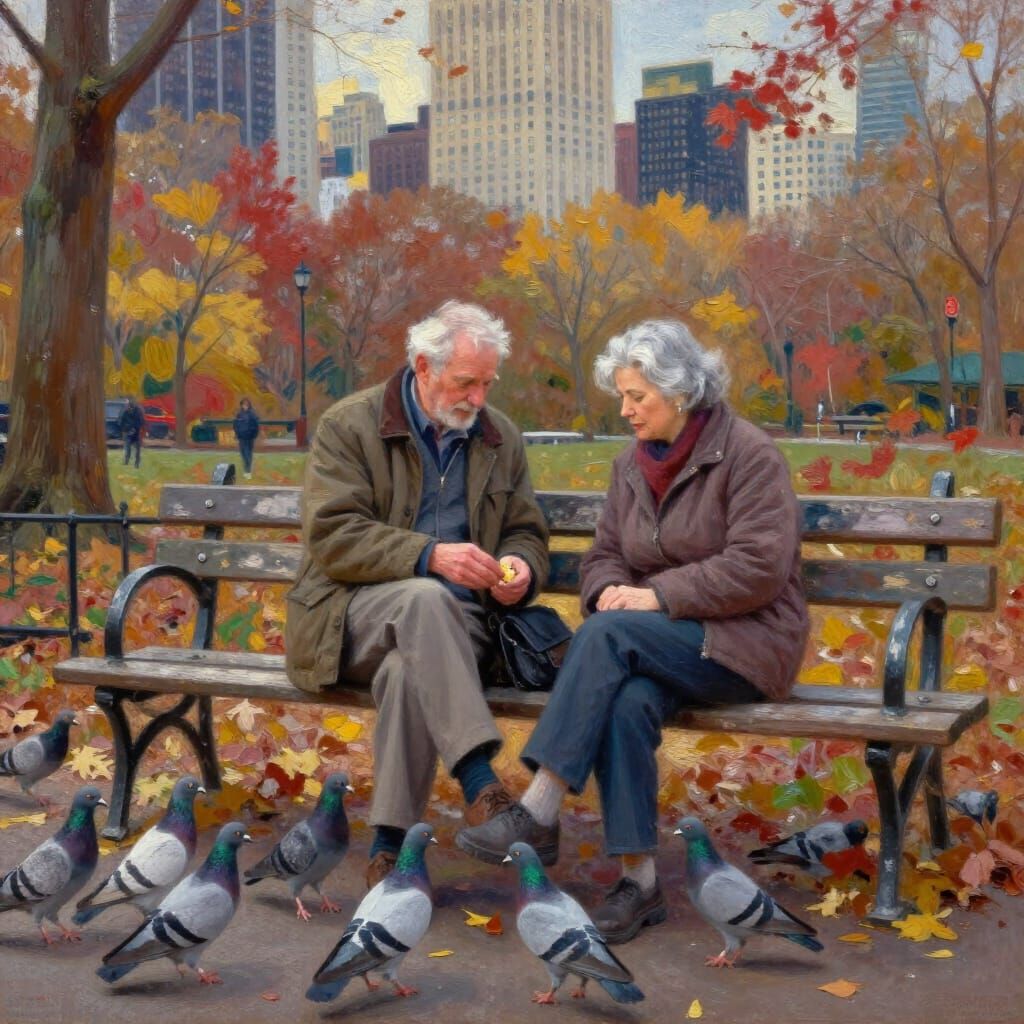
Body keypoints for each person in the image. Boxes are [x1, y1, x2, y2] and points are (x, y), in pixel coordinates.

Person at [456, 319, 810, 944]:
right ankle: (639, 882)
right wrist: (610, 591)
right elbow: (604, 557)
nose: (626, 411)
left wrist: (655, 595)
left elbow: (759, 566)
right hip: (658, 648)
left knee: (607, 635)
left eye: (637, 397)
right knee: (624, 699)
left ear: (679, 391)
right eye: (622, 396)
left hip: (744, 644)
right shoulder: (631, 465)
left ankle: (538, 807)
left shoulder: (749, 455)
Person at [285, 300, 550, 889]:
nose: (478, 398)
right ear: (423, 367)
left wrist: (519, 566)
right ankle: (481, 783)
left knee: (411, 668)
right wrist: (429, 556)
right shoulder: (350, 426)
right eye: (465, 382)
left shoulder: (498, 437)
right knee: (425, 598)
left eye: (487, 383)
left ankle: (389, 850)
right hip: (347, 620)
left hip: (459, 637)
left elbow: (526, 530)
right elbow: (333, 537)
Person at [233, 398, 260, 479]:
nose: (245, 406)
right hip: (241, 437)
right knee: (243, 454)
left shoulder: (252, 414)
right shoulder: (239, 414)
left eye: (246, 405)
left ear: (249, 405)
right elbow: (235, 425)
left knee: (248, 454)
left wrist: (254, 435)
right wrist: (237, 434)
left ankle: (247, 471)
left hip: (249, 437)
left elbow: (256, 426)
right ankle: (246, 470)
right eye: (243, 404)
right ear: (241, 405)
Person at [118, 397, 145, 468]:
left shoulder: (138, 411)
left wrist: (135, 428)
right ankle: (126, 461)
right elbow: (120, 422)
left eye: (130, 406)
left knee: (137, 449)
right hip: (128, 433)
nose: (129, 408)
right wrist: (127, 429)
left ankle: (137, 463)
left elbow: (141, 421)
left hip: (136, 433)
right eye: (129, 406)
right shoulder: (125, 412)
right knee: (128, 448)